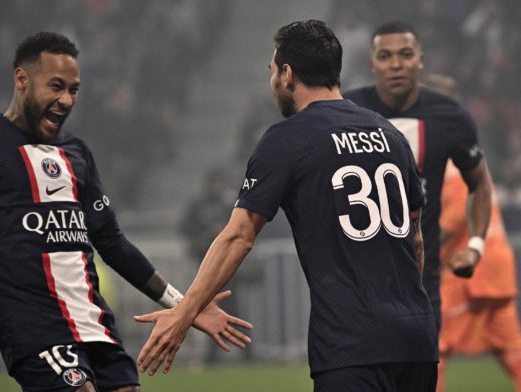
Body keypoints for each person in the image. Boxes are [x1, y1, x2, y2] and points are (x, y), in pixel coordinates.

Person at [0, 32, 252, 392]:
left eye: (73, 89)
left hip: (95, 325)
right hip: (35, 331)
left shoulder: (78, 153)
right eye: (56, 86)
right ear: (21, 79)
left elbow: (114, 244)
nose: (66, 100)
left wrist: (186, 306)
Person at [136, 20, 438, 391]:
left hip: (352, 344)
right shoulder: (389, 134)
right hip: (416, 340)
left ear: (287, 73)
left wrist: (183, 314)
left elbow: (239, 237)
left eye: (272, 71)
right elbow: (416, 241)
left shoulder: (288, 138)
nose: (272, 81)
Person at [344, 21, 494, 329]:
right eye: (385, 56)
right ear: (371, 63)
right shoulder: (345, 110)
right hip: (356, 287)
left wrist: (475, 247)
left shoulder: (450, 115)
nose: (396, 64)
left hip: (422, 284)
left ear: (420, 59)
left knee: (420, 378)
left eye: (405, 54)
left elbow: (479, 183)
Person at [437, 161, 521, 392]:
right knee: (509, 345)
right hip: (498, 268)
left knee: (436, 345)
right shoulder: (471, 163)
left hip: (468, 270)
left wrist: (421, 249)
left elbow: (454, 219)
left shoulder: (450, 170)